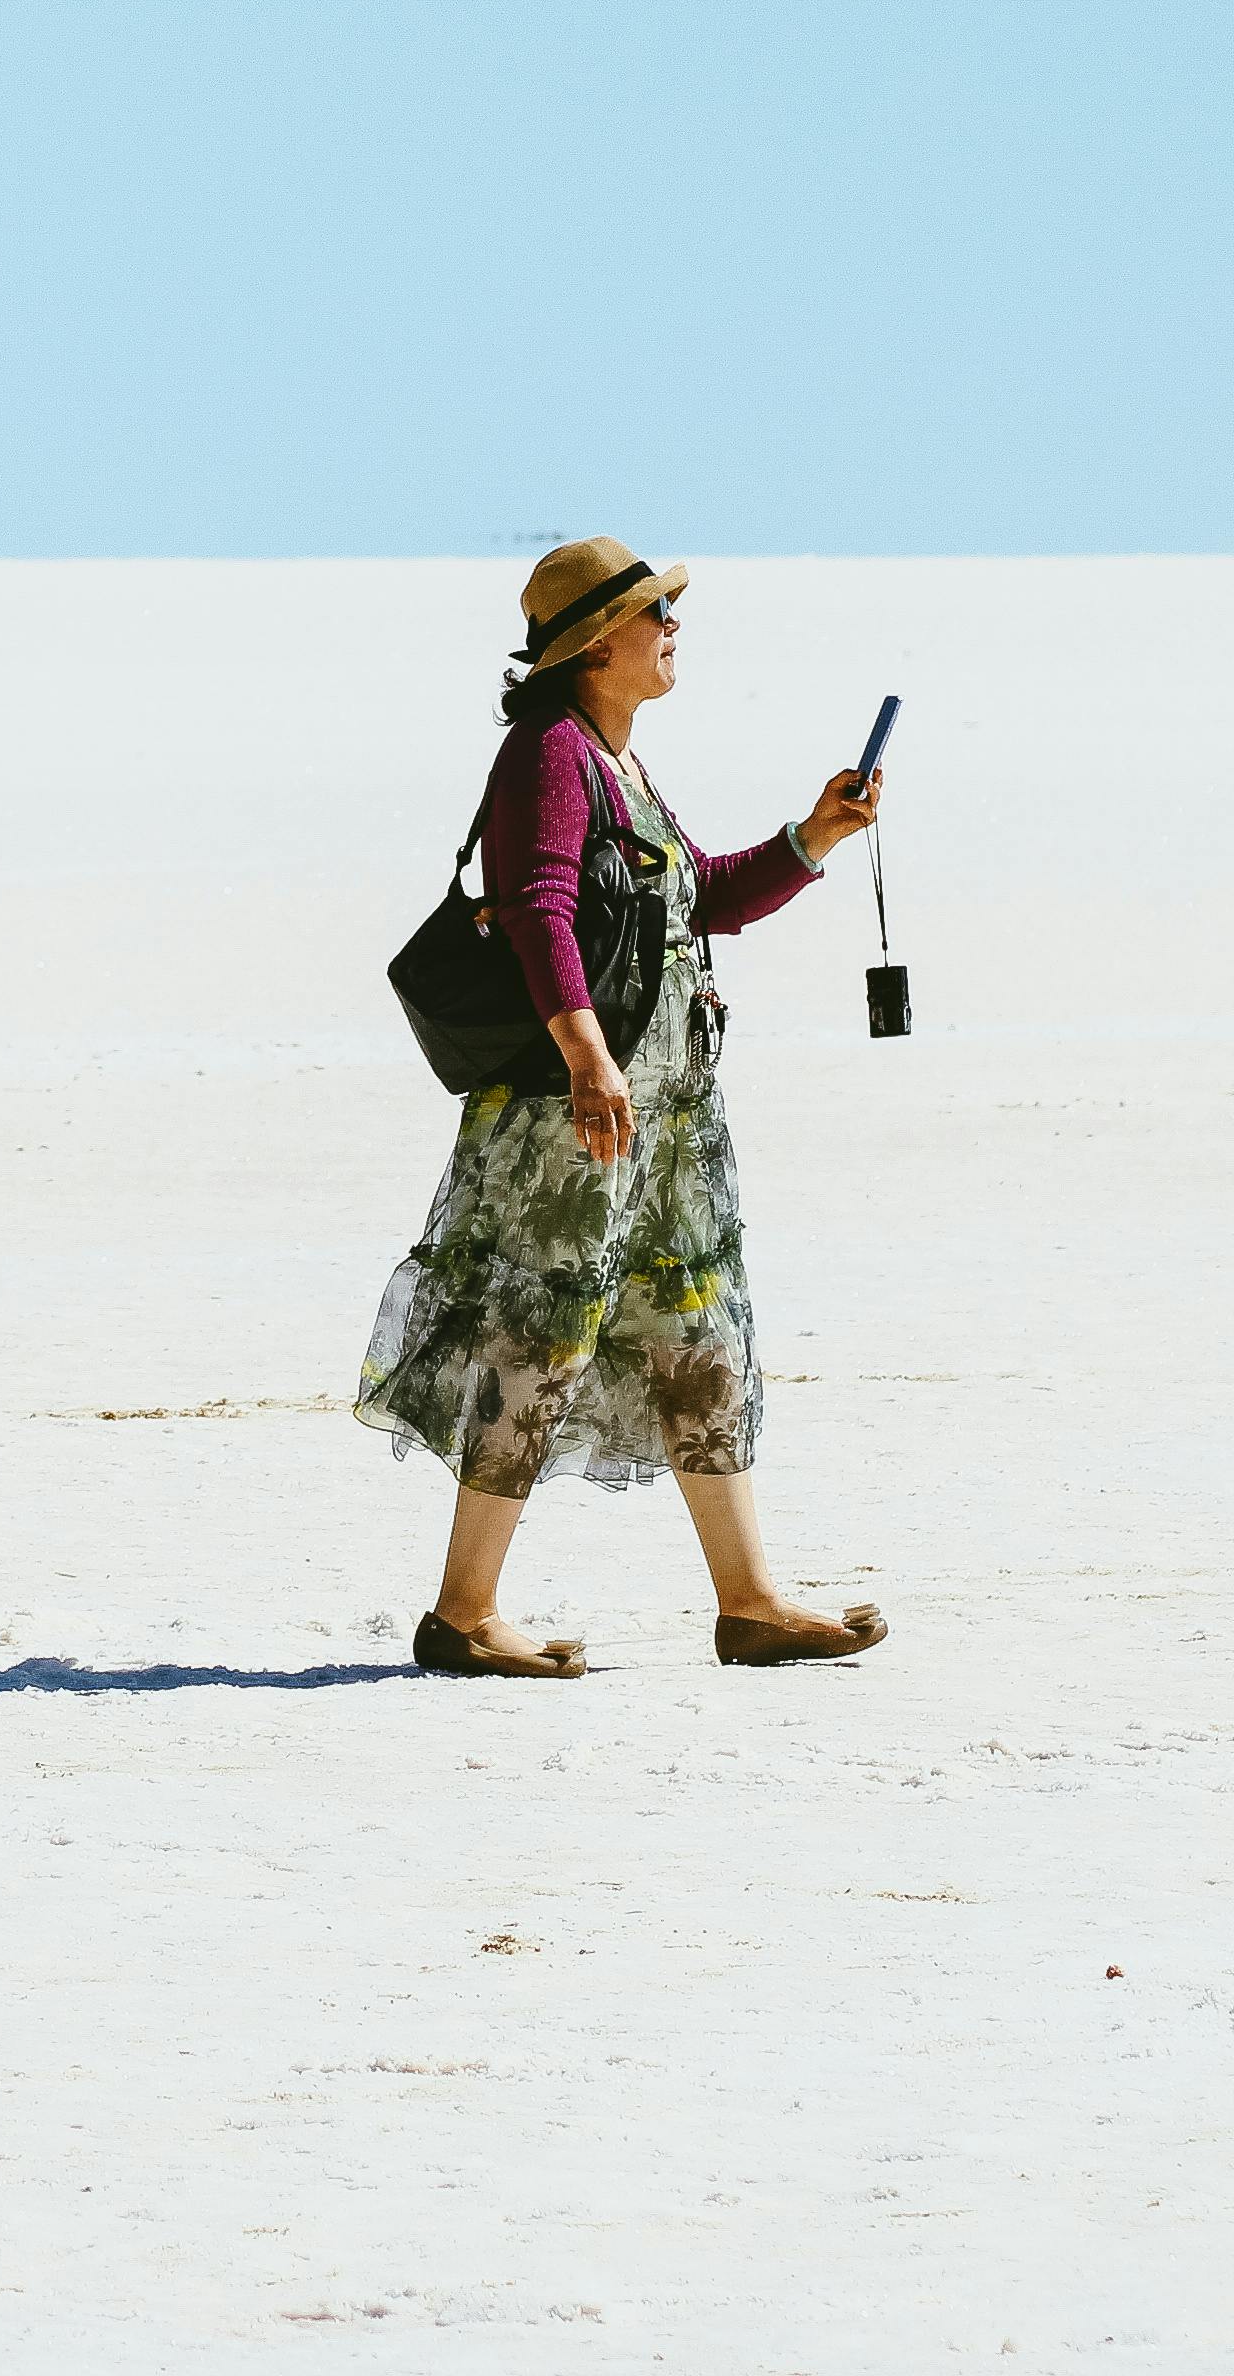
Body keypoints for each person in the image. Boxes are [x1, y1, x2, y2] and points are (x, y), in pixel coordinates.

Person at [361, 539, 892, 1678]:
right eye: (658, 615)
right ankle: (462, 1612)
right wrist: (588, 1057)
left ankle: (748, 1603)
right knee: (539, 1338)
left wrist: (813, 837)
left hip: (662, 1114)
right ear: (596, 641)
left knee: (694, 1332)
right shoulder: (549, 753)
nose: (673, 631)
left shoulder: (616, 762)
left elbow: (707, 898)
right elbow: (538, 907)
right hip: (579, 1113)